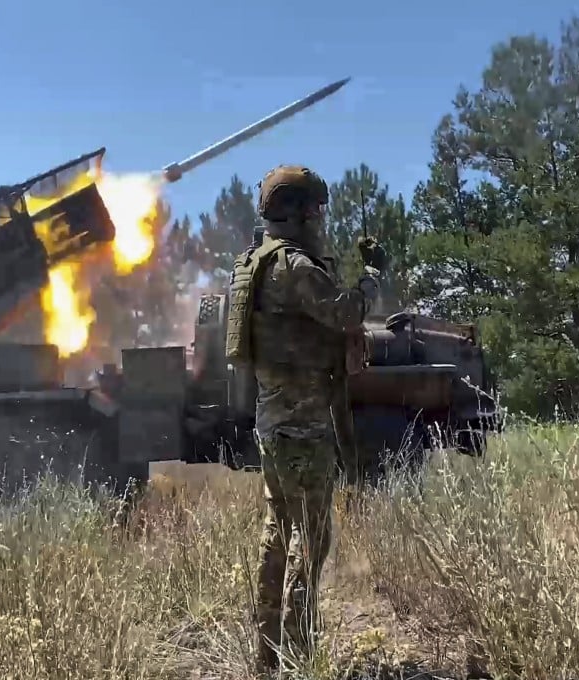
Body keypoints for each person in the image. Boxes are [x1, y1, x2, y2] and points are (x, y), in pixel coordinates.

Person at [224, 165, 386, 673]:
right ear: (297, 213)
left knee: (277, 533)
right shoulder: (294, 266)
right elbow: (346, 312)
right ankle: (298, 657)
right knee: (309, 540)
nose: (321, 218)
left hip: (273, 420)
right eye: (316, 209)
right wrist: (373, 277)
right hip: (304, 426)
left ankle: (267, 656)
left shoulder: (254, 260)